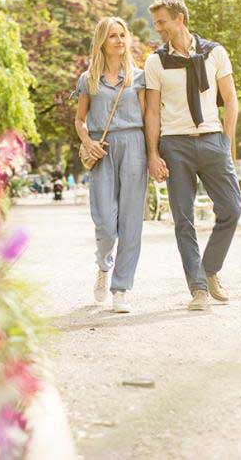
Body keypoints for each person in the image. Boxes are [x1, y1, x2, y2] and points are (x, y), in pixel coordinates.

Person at [144, 0, 241, 311]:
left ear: (180, 19)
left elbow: (230, 100)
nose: (158, 28)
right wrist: (153, 154)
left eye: (162, 22)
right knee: (183, 219)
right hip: (175, 146)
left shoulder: (215, 53)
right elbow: (152, 114)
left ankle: (209, 268)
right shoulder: (155, 61)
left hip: (213, 139)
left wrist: (228, 144)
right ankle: (198, 290)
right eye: (156, 23)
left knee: (232, 208)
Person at [74, 16, 147, 313]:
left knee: (131, 221)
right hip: (101, 149)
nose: (119, 40)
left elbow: (148, 117)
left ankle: (121, 288)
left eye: (122, 35)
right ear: (102, 41)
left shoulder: (139, 77)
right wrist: (88, 141)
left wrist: (154, 152)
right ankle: (103, 267)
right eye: (113, 36)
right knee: (105, 221)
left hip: (134, 145)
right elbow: (79, 120)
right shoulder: (88, 79)